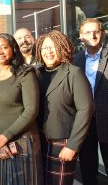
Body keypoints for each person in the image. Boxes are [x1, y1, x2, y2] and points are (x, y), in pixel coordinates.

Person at [0, 33, 42, 185]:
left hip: (22, 143)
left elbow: (31, 110)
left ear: (13, 49)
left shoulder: (25, 73)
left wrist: (5, 137)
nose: (0, 52)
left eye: (4, 47)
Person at [35, 30, 93, 185]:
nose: (48, 51)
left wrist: (73, 145)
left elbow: (85, 109)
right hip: (38, 141)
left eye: (53, 47)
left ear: (62, 47)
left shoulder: (74, 73)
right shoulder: (36, 74)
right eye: (44, 47)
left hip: (62, 143)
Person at [73, 18, 108, 185]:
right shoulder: (75, 60)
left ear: (103, 33)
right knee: (87, 168)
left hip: (107, 119)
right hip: (84, 122)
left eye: (96, 31)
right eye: (87, 32)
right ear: (81, 36)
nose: (92, 35)